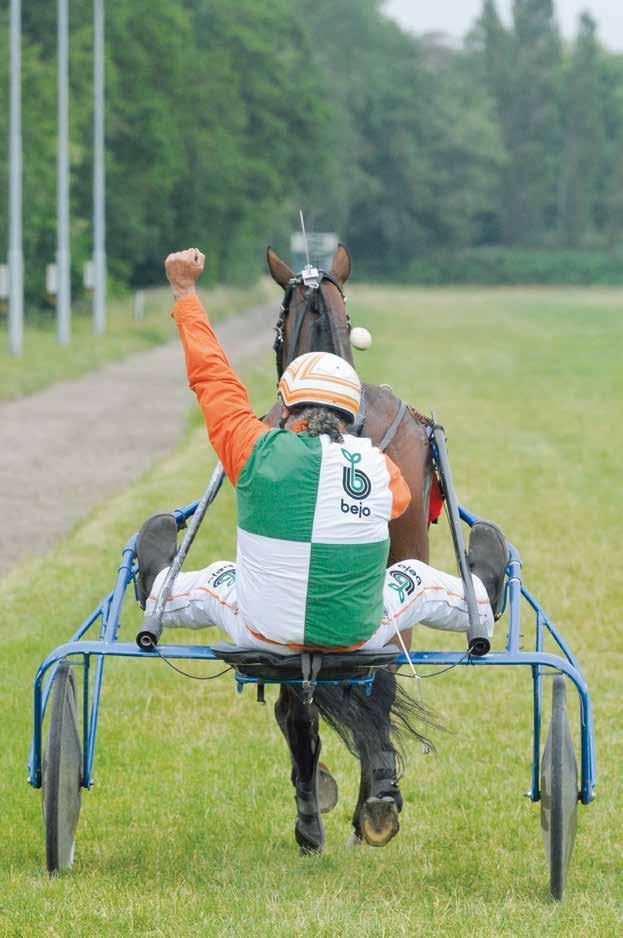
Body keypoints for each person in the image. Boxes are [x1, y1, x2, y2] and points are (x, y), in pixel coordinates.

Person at [137, 248, 508, 655]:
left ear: (287, 404)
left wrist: (184, 291)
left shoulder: (249, 447)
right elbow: (398, 505)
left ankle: (156, 589)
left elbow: (212, 376)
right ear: (350, 410)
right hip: (358, 634)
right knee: (416, 579)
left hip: (263, 632)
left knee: (218, 578)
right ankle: (481, 599)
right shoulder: (381, 470)